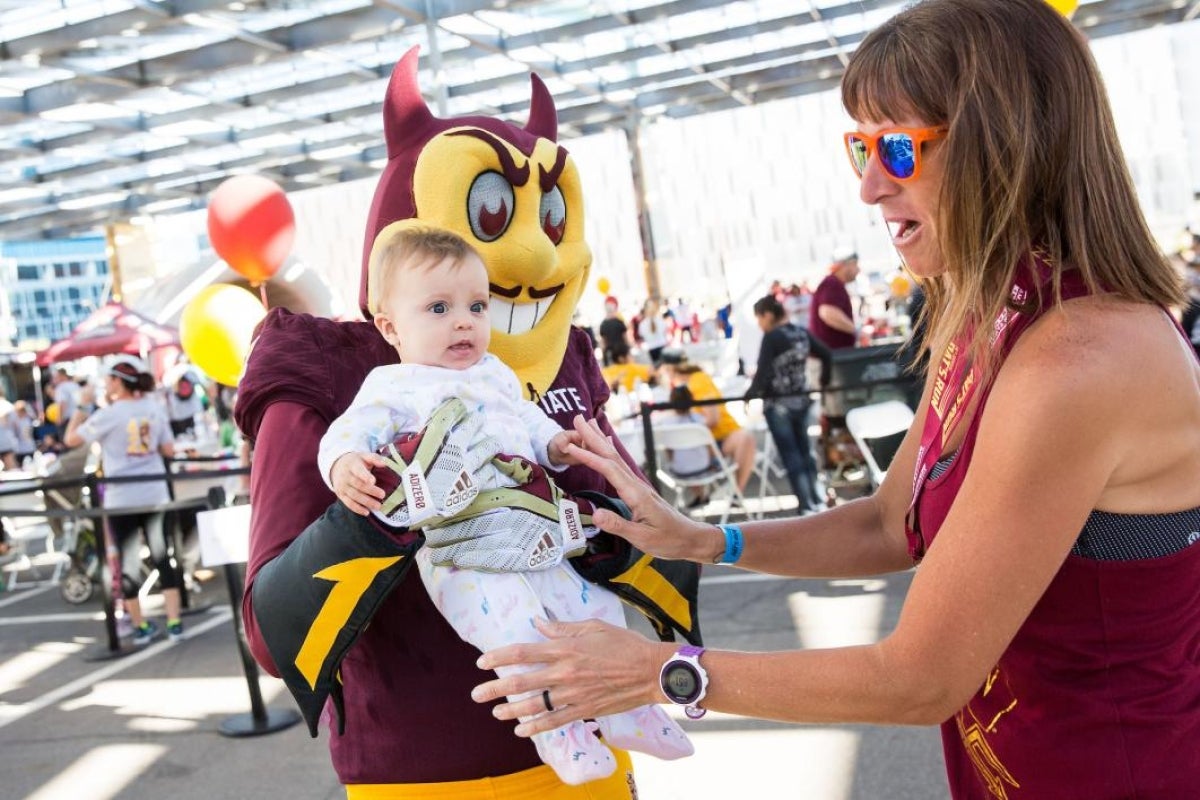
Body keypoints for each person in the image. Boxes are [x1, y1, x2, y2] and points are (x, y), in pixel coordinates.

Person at [467, 3, 1200, 798]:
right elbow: (890, 523)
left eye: (898, 148)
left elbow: (922, 677)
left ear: (1008, 145)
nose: (869, 184)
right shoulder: (992, 315)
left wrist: (661, 674)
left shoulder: (1081, 360)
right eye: (860, 145)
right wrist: (706, 540)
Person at [234, 48, 699, 799]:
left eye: (551, 215)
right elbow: (271, 624)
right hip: (431, 773)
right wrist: (394, 508)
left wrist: (589, 505)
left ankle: (634, 711)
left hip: (597, 744)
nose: (535, 248)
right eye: (490, 210)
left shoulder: (539, 362)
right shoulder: (339, 368)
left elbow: (654, 545)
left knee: (593, 610)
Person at [320, 224, 692, 786]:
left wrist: (556, 444)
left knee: (591, 608)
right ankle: (560, 734)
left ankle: (629, 710)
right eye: (439, 308)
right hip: (462, 551)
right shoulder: (391, 388)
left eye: (477, 305)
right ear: (391, 326)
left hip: (536, 530)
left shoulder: (494, 373)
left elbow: (528, 421)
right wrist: (345, 464)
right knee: (517, 636)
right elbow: (344, 436)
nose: (464, 321)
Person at [64, 355, 181, 644]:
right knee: (162, 555)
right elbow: (168, 449)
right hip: (154, 492)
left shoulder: (109, 414)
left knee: (128, 560)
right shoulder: (153, 408)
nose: (105, 384)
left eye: (108, 379)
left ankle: (140, 627)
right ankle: (175, 622)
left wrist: (81, 406)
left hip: (122, 496)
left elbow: (71, 440)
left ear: (118, 382)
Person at [746, 295, 831, 514]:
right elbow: (826, 354)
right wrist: (823, 382)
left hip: (778, 406)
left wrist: (750, 395)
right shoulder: (800, 332)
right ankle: (817, 500)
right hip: (802, 402)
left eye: (759, 319)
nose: (759, 325)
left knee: (792, 456)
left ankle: (806, 506)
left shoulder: (772, 337)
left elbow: (762, 372)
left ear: (767, 314)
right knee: (807, 453)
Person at [657, 350, 756, 494]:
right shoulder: (683, 385)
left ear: (669, 369)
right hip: (704, 444)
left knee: (746, 438)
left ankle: (734, 493)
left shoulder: (698, 380)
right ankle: (708, 496)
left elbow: (712, 419)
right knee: (746, 438)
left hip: (719, 438)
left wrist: (685, 428)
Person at [809, 248, 860, 350]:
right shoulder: (832, 283)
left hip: (833, 353)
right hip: (832, 355)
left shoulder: (834, 283)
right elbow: (828, 313)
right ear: (845, 266)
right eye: (855, 264)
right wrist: (857, 330)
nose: (858, 269)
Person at [596, 296, 630, 366]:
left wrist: (604, 356)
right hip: (621, 352)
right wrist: (628, 349)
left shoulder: (603, 324)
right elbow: (625, 338)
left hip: (611, 353)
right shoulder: (619, 322)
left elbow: (603, 343)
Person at [636, 298, 670, 365]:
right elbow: (665, 331)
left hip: (651, 348)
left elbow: (642, 335)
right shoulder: (660, 320)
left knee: (657, 366)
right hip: (662, 345)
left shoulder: (642, 324)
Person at [50, 368, 81, 438]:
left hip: (68, 421)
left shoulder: (61, 387)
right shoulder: (75, 385)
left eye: (56, 377)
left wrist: (59, 419)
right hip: (79, 418)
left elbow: (62, 403)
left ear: (62, 376)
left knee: (67, 442)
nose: (54, 380)